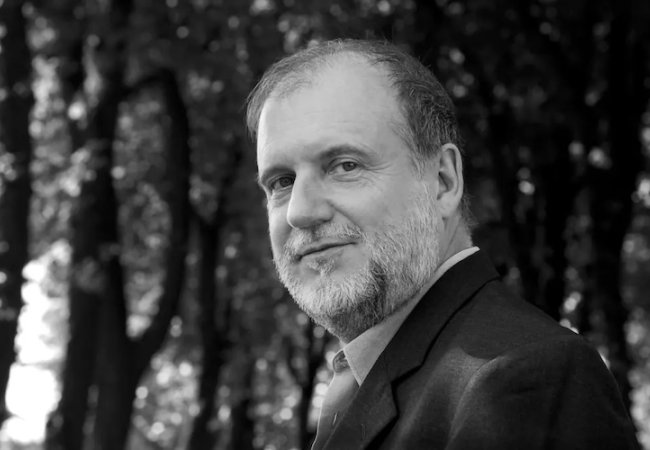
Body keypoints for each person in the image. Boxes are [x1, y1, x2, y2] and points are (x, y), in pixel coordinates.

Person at [246, 39, 640, 450]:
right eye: (281, 182)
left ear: (443, 182)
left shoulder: (525, 378)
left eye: (345, 166)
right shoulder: (377, 380)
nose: (299, 212)